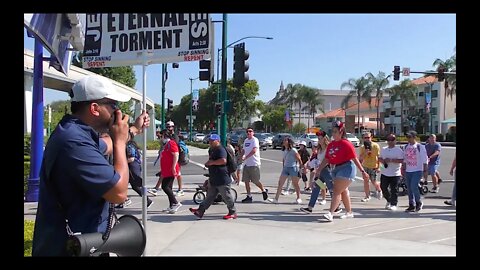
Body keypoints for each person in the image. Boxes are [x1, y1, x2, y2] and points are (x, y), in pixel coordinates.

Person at [32, 75, 150, 256]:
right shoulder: (73, 142)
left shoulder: (77, 132)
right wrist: (120, 142)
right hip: (68, 248)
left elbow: (106, 146)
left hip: (86, 243)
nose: (117, 112)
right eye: (113, 105)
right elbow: (118, 193)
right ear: (95, 108)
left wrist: (133, 129)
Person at [318, 121, 369, 222]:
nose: (333, 134)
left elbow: (354, 159)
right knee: (343, 191)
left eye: (335, 131)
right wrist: (318, 170)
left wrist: (363, 171)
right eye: (332, 132)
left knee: (337, 190)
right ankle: (349, 212)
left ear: (341, 132)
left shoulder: (346, 144)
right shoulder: (331, 145)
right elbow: (327, 159)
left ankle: (330, 213)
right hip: (336, 169)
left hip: (347, 168)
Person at [189, 134, 237, 219]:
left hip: (222, 177)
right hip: (214, 177)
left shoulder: (220, 149)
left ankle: (233, 212)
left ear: (217, 141)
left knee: (226, 196)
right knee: (210, 196)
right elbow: (212, 159)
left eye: (212, 140)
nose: (210, 142)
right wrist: (208, 163)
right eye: (210, 140)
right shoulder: (212, 150)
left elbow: (223, 161)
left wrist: (211, 163)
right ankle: (200, 211)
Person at [299, 131, 336, 214]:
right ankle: (310, 207)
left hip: (327, 171)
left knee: (331, 189)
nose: (319, 140)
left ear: (325, 139)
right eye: (318, 138)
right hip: (320, 172)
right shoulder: (319, 149)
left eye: (320, 138)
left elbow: (328, 160)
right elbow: (316, 160)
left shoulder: (328, 148)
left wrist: (318, 169)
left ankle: (336, 206)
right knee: (315, 188)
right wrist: (309, 167)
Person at [267, 137, 304, 204]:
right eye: (283, 140)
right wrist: (284, 166)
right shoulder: (284, 150)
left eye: (285, 140)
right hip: (286, 168)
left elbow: (299, 158)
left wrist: (301, 167)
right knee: (280, 183)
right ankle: (276, 199)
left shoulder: (293, 150)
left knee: (295, 184)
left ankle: (298, 198)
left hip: (293, 168)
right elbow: (284, 159)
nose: (283, 142)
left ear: (288, 142)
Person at [401, 130, 428, 213]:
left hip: (417, 170)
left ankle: (418, 202)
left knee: (414, 186)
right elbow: (405, 159)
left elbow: (425, 160)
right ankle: (411, 204)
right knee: (409, 188)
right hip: (408, 170)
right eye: (407, 137)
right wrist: (403, 170)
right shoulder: (406, 147)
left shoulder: (420, 147)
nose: (408, 139)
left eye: (410, 137)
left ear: (414, 137)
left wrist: (425, 173)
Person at [240, 128, 269, 202]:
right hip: (247, 164)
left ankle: (263, 190)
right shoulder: (246, 140)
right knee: (246, 181)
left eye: (250, 131)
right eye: (247, 132)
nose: (249, 133)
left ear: (253, 132)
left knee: (255, 181)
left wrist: (246, 157)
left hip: (254, 163)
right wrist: (240, 156)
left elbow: (254, 150)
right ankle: (249, 196)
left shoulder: (255, 140)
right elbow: (244, 150)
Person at [124, 137, 154, 209]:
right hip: (134, 167)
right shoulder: (131, 145)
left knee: (132, 185)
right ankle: (124, 200)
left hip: (132, 167)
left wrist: (121, 162)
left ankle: (125, 200)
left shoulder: (129, 146)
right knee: (132, 185)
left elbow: (131, 158)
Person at [378, 134, 404, 211]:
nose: (390, 142)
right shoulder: (384, 149)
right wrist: (384, 161)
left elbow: (401, 160)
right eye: (388, 140)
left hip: (395, 173)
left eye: (392, 140)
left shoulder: (398, 150)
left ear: (395, 141)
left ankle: (394, 204)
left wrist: (392, 160)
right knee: (383, 187)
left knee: (394, 189)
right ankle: (389, 200)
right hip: (385, 172)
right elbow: (379, 158)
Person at [159, 129, 182, 214]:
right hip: (166, 169)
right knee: (169, 187)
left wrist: (173, 167)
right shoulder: (166, 145)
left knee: (165, 187)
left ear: (164, 136)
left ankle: (176, 203)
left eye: (160, 136)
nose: (160, 138)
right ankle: (172, 205)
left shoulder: (171, 143)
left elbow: (176, 154)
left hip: (170, 169)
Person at [359, 132, 383, 202]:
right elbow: (360, 158)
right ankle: (367, 196)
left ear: (371, 137)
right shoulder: (362, 147)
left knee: (373, 181)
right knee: (366, 181)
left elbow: (378, 157)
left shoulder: (375, 146)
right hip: (365, 165)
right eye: (365, 138)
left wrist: (378, 167)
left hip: (373, 166)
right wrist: (365, 153)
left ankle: (379, 190)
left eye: (368, 137)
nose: (367, 139)